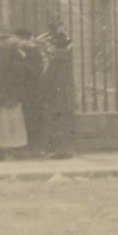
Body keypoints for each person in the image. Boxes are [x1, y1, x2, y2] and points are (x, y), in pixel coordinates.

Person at [0, 26, 28, 161]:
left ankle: (13, 149)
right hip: (2, 93)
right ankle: (2, 150)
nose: (1, 42)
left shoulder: (6, 54)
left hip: (7, 92)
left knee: (10, 121)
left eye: (3, 39)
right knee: (2, 122)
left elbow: (18, 72)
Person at [39, 24, 76, 159]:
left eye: (50, 45)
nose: (48, 47)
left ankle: (59, 151)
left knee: (56, 124)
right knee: (64, 123)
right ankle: (65, 150)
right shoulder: (66, 59)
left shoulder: (55, 61)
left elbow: (46, 80)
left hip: (56, 98)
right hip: (66, 97)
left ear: (55, 46)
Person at [14, 28, 46, 155]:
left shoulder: (34, 53)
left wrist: (24, 60)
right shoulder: (15, 53)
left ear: (25, 40)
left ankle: (34, 148)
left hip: (32, 93)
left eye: (19, 39)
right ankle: (21, 148)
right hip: (19, 92)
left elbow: (36, 71)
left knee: (33, 120)